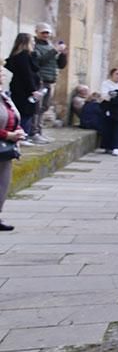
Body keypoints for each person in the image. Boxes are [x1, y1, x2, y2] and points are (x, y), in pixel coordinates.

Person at [30, 23, 66, 144]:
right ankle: (34, 132)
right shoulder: (34, 46)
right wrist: (55, 51)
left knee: (45, 106)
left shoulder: (51, 46)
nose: (46, 35)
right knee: (37, 107)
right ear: (37, 32)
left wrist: (63, 54)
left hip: (50, 80)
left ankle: (39, 131)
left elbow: (60, 65)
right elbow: (39, 61)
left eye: (47, 33)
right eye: (43, 32)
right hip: (39, 80)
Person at [0, 68, 26, 231]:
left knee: (2, 182)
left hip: (5, 148)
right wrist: (7, 135)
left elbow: (12, 116)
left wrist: (19, 130)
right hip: (4, 140)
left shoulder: (4, 96)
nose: (2, 76)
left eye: (2, 74)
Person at [4, 34, 40, 138]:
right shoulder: (23, 56)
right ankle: (23, 135)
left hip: (20, 88)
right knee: (25, 113)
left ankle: (24, 134)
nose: (34, 42)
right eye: (32, 40)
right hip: (24, 90)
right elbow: (27, 74)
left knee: (25, 112)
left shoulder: (20, 56)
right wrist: (33, 90)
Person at [98, 68, 118, 156]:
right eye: (117, 74)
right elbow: (105, 95)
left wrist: (115, 95)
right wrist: (116, 95)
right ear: (112, 75)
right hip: (108, 108)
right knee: (108, 127)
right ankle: (107, 146)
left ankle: (117, 147)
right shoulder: (106, 83)